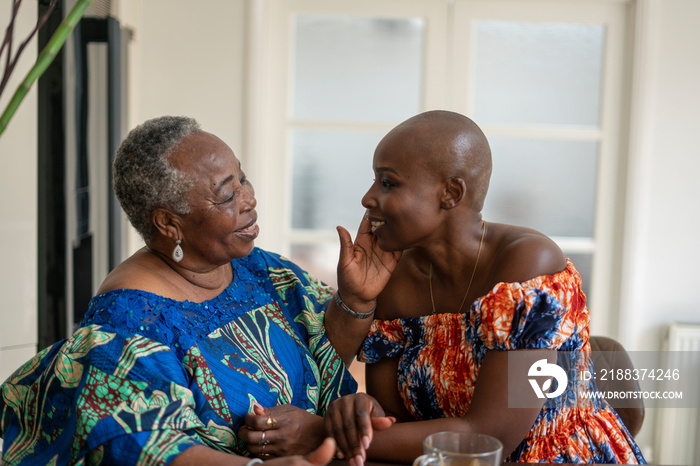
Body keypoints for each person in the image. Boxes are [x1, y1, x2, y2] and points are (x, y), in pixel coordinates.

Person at [0, 116, 399, 465]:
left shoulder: (257, 268)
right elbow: (141, 447)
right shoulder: (127, 325)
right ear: (169, 224)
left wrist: (355, 299)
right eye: (227, 195)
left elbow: (323, 361)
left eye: (242, 178)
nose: (249, 199)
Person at [323, 110, 646, 465]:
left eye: (388, 183)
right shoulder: (393, 279)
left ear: (450, 193)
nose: (368, 198)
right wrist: (362, 415)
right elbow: (394, 424)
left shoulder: (529, 263)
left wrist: (322, 436)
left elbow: (491, 437)